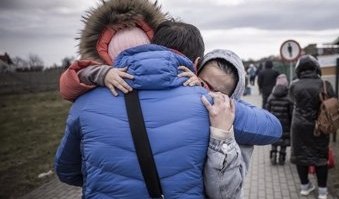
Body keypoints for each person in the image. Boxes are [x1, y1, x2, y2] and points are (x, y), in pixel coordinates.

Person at [55, 1, 281, 197]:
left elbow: (66, 171)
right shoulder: (207, 103)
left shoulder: (86, 102)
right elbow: (272, 129)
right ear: (196, 63)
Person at [289, 55, 335, 199]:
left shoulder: (294, 85)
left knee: (300, 156)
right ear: (317, 68)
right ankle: (322, 192)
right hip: (319, 126)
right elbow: (333, 103)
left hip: (299, 126)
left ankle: (304, 187)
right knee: (320, 157)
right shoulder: (325, 84)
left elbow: (292, 102)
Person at [265, 74, 293, 165]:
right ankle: (282, 157)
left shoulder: (271, 96)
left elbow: (267, 109)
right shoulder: (288, 97)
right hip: (286, 124)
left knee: (274, 139)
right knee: (284, 140)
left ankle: (273, 155)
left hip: (274, 123)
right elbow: (291, 112)